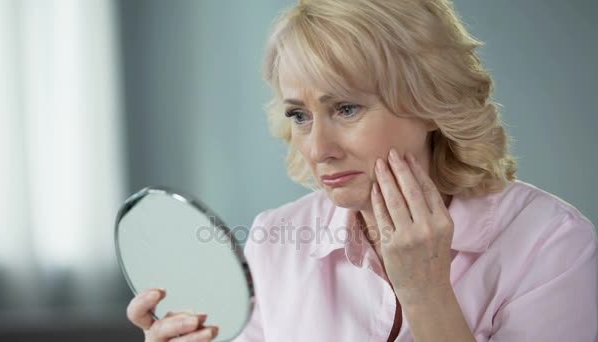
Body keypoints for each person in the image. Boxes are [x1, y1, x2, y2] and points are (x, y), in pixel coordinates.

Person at [126, 0, 598, 341]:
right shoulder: (275, 239)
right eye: (299, 115)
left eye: (347, 108)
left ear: (431, 103)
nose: (318, 148)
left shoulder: (551, 243)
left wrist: (425, 291)